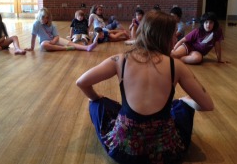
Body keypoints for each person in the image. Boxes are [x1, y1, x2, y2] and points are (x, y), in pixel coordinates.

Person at [76, 10, 214, 163]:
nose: (177, 38)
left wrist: (96, 97)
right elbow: (207, 105)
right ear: (164, 37)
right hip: (167, 153)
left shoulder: (119, 60)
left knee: (96, 103)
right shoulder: (177, 66)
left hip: (123, 151)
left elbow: (81, 82)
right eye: (174, 34)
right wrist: (187, 101)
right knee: (181, 105)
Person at [25, 8, 97, 52]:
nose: (45, 20)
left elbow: (56, 36)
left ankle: (86, 48)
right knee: (44, 45)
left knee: (72, 43)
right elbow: (33, 36)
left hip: (54, 40)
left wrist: (54, 41)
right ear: (39, 17)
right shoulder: (36, 24)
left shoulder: (52, 25)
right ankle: (65, 48)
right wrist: (32, 48)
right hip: (45, 42)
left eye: (47, 18)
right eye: (43, 18)